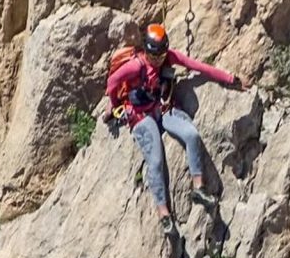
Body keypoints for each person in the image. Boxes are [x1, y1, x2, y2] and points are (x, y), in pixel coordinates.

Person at [105, 24, 250, 240]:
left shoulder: (168, 57)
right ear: (146, 51)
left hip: (163, 108)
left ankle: (198, 189)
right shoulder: (135, 66)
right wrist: (114, 105)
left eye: (162, 54)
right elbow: (112, 81)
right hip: (141, 116)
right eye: (155, 56)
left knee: (191, 135)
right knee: (155, 161)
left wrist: (231, 79)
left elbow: (198, 66)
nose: (159, 59)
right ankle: (164, 215)